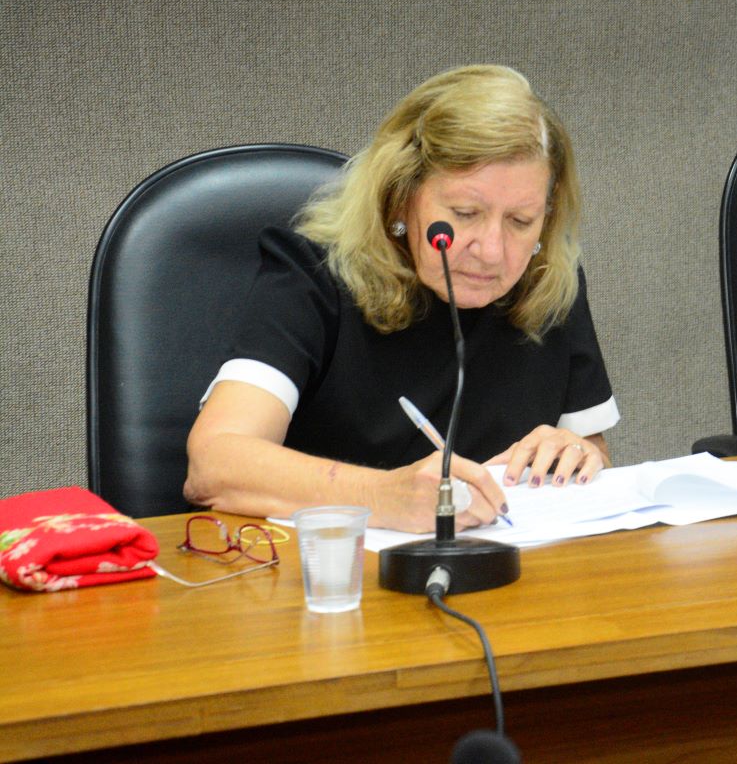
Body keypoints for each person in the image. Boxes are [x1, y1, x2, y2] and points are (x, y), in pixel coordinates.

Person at [185, 65, 619, 531]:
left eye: (520, 221)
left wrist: (575, 454)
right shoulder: (312, 275)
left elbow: (593, 453)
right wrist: (381, 496)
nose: (492, 251)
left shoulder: (548, 281)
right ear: (400, 197)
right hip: (331, 564)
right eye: (465, 213)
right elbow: (214, 465)